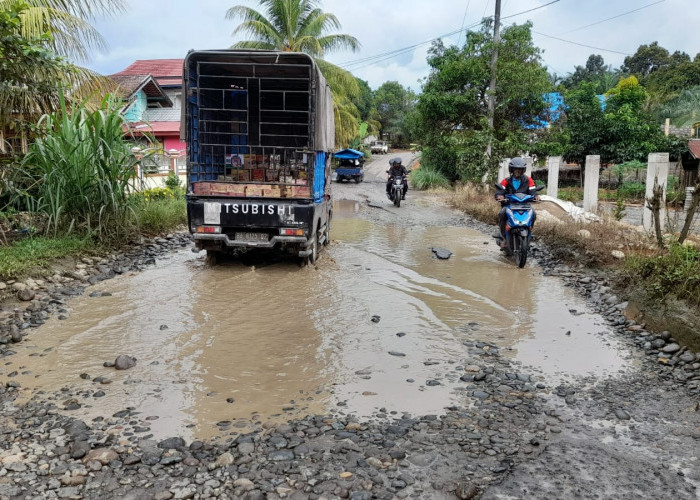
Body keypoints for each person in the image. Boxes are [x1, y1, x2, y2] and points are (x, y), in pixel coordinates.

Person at [494, 157, 539, 247]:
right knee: (502, 213)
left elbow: (533, 190)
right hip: (509, 205)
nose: (518, 171)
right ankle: (504, 237)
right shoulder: (506, 181)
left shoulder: (528, 180)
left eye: (520, 169)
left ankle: (529, 234)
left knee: (533, 214)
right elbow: (500, 190)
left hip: (524, 205)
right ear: (512, 170)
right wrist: (499, 196)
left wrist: (536, 196)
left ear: (524, 170)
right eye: (516, 169)